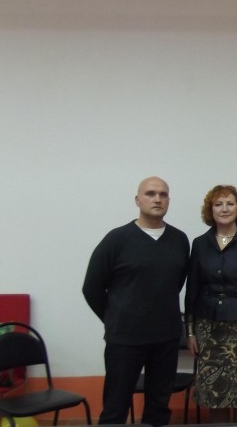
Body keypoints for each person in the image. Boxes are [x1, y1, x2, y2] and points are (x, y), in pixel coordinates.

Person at [82, 176, 189, 427]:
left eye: (163, 194)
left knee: (159, 408)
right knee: (115, 407)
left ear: (169, 200)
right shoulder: (117, 239)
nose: (157, 199)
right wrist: (115, 317)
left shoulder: (179, 239)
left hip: (166, 338)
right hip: (125, 340)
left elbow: (175, 283)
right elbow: (92, 287)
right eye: (150, 194)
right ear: (137, 200)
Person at [184, 185, 237, 423]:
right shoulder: (200, 243)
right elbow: (192, 289)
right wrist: (190, 332)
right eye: (218, 204)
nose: (224, 209)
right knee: (215, 394)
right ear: (210, 210)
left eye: (230, 203)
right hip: (208, 329)